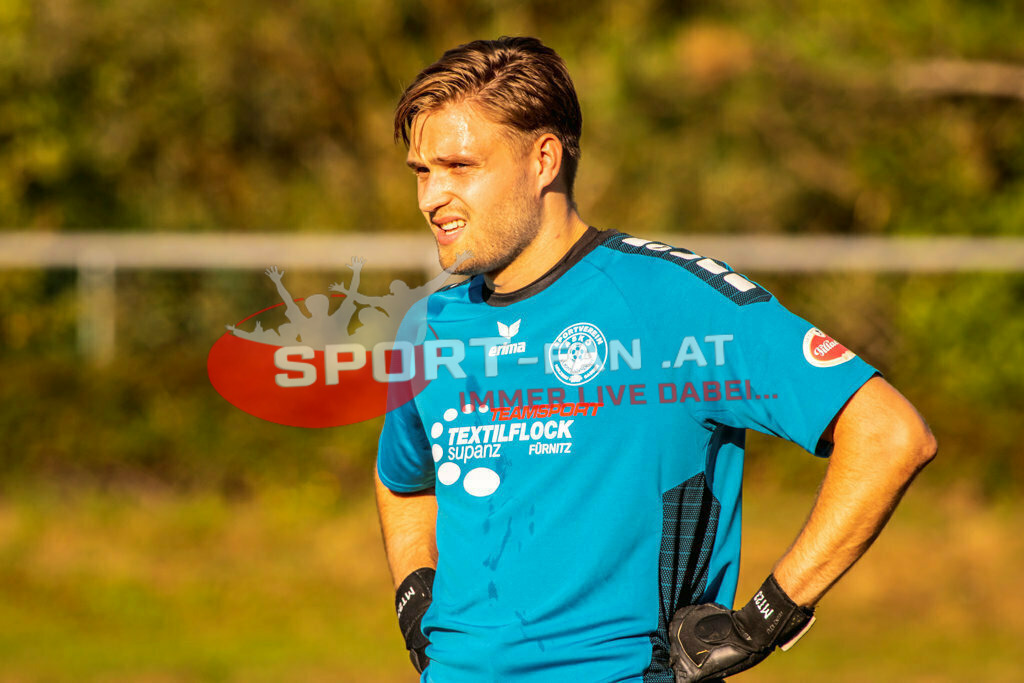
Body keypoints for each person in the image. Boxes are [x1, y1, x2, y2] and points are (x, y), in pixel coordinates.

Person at [375, 36, 936, 683]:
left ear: (543, 160)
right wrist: (415, 586)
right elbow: (402, 476)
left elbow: (890, 433)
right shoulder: (432, 326)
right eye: (421, 170)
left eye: (459, 166)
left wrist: (765, 618)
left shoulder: (672, 304)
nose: (430, 197)